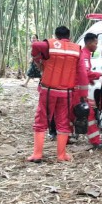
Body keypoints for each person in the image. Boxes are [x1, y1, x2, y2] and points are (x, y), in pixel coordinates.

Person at [28, 26, 86, 163]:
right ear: (69, 36)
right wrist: (81, 94)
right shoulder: (77, 49)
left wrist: (37, 59)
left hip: (48, 90)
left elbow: (35, 45)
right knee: (63, 122)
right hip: (66, 93)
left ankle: (37, 155)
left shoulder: (50, 45)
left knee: (41, 121)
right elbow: (82, 73)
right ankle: (61, 155)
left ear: (56, 35)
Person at [74, 33, 102, 149]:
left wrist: (90, 79)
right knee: (89, 115)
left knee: (71, 115)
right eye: (95, 43)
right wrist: (101, 74)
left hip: (76, 90)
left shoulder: (85, 54)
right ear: (89, 43)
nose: (96, 46)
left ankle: (68, 138)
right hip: (79, 92)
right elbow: (85, 72)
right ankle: (95, 141)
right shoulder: (84, 55)